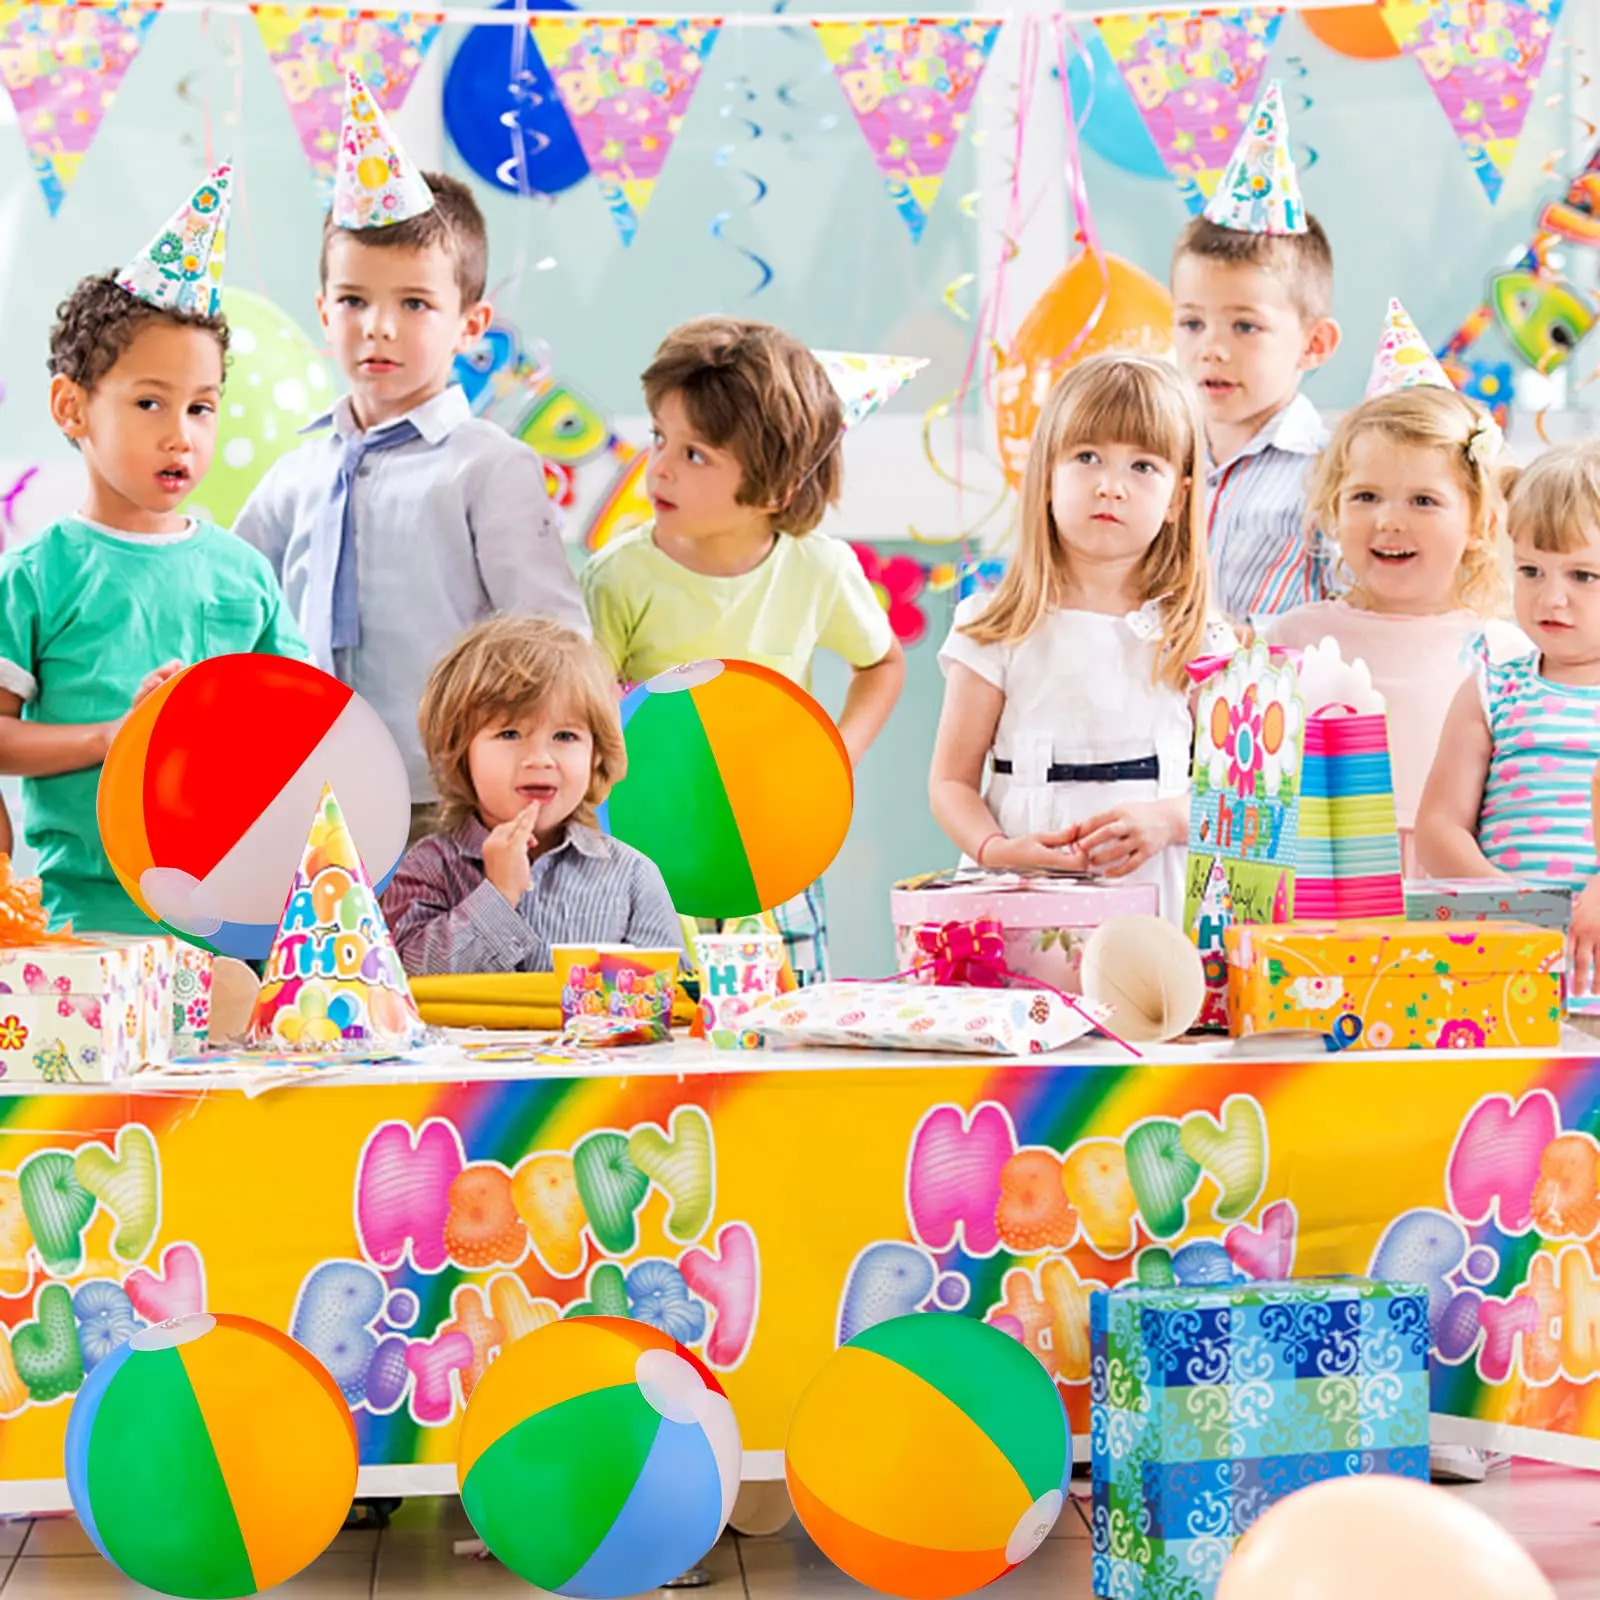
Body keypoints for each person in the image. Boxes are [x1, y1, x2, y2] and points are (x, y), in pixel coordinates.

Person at [234, 72, 586, 842]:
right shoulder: (290, 476)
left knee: (445, 961)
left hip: (449, 799)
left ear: (471, 324)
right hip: (302, 794)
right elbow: (229, 609)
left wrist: (537, 795)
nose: (379, 328)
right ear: (324, 311)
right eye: (355, 300)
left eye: (415, 304)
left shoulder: (487, 469)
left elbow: (551, 639)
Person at [0, 166, 306, 933]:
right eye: (149, 403)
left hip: (235, 917)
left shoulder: (244, 571)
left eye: (202, 408)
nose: (182, 434)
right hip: (84, 915)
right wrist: (115, 739)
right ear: (72, 407)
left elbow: (298, 714)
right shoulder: (38, 577)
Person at [581, 316, 905, 984]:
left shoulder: (820, 569)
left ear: (776, 489)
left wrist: (835, 759)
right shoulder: (618, 577)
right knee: (658, 1020)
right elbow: (585, 704)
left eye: (695, 454)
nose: (660, 467)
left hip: (776, 850)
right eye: (659, 437)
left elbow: (881, 664)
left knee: (793, 1016)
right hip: (650, 850)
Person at [928, 353, 1234, 922]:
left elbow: (1243, 800)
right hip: (1017, 899)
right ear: (1046, 478)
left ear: (1177, 500)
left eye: (1143, 466)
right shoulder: (996, 626)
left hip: (1159, 905)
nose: (1111, 486)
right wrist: (995, 851)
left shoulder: (1197, 639)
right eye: (1087, 457)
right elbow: (951, 780)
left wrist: (1169, 819)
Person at [1266, 314, 1520, 875]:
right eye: (1365, 496)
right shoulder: (1295, 638)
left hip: (1458, 889)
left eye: (1423, 501)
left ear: (1479, 522)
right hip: (1325, 885)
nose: (1388, 521)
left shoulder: (1503, 651)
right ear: (1333, 507)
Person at [381, 617, 682, 976]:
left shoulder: (632, 877)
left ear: (597, 753)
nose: (539, 758)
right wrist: (499, 895)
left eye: (566, 736)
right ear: (459, 750)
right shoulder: (429, 867)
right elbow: (401, 982)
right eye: (510, 734)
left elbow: (673, 1000)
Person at [1420, 441, 1600, 996]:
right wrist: (1512, 901)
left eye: (1583, 577)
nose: (1552, 598)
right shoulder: (1492, 688)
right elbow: (1439, 828)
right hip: (1505, 962)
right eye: (1530, 570)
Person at [1171, 80, 1341, 621]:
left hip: (1276, 701)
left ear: (1314, 344)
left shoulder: (1331, 476)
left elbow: (1355, 615)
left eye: (1245, 327)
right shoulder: (1159, 455)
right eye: (1192, 323)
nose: (1212, 349)